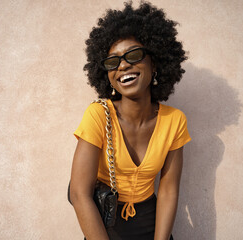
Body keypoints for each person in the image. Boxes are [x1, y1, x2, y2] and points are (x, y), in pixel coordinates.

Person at [69, 1, 191, 239]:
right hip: (104, 223)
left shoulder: (174, 120)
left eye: (133, 55)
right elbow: (79, 194)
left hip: (153, 222)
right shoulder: (98, 115)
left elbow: (167, 190)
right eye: (112, 61)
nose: (123, 65)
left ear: (154, 63)